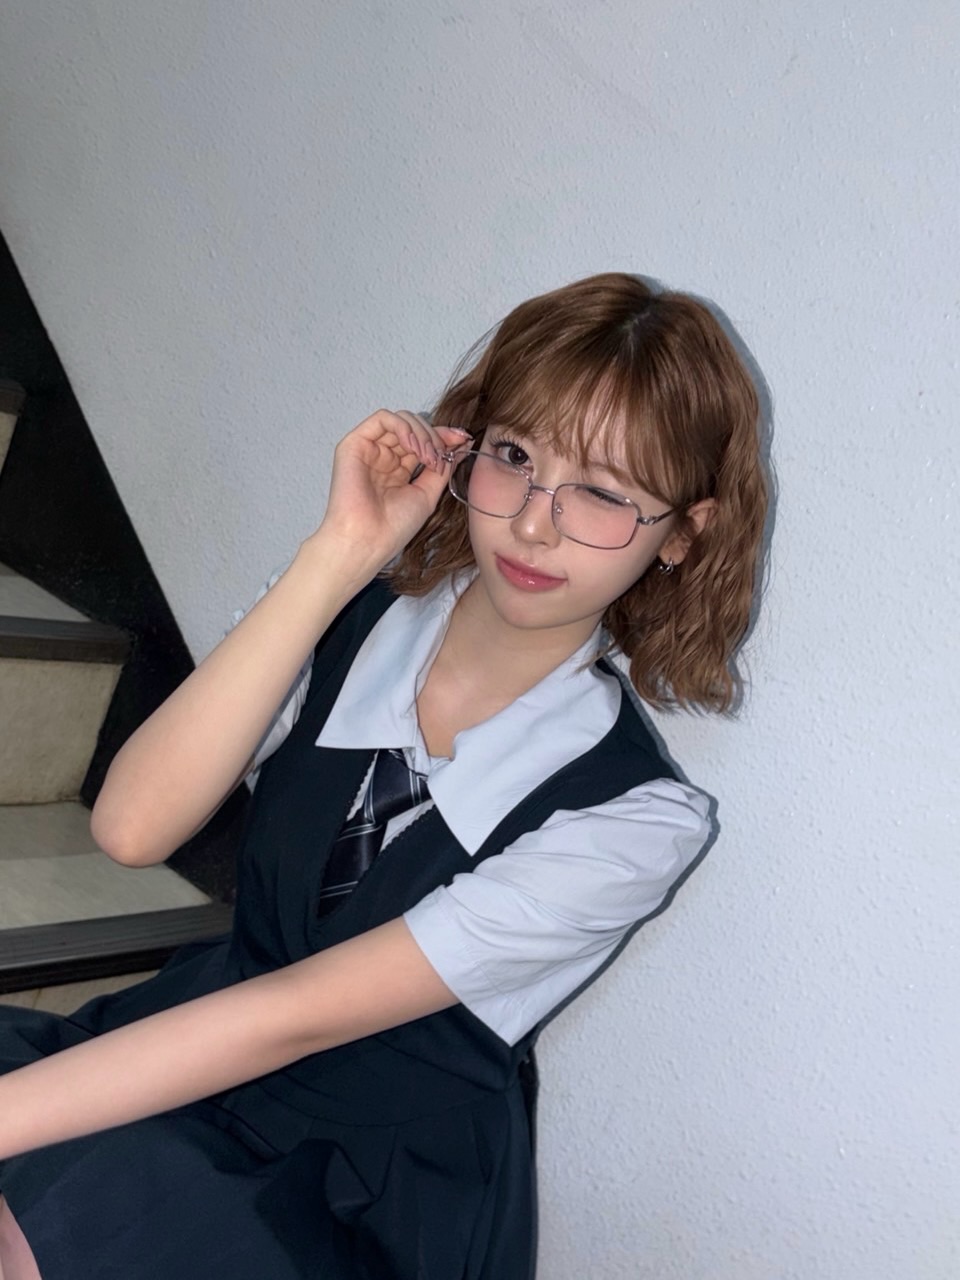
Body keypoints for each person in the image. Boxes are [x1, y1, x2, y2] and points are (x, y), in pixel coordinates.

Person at [0, 272, 767, 1280]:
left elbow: (297, 1017)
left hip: (364, 1185)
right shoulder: (345, 615)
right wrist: (341, 552)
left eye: (604, 494)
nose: (535, 526)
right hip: (189, 1044)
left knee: (62, 1219)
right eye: (515, 457)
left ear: (685, 533)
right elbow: (131, 827)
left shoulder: (635, 818)